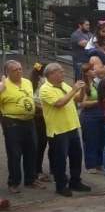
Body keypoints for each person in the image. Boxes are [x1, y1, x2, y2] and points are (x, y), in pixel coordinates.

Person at [39, 63, 92, 197]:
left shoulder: (64, 86)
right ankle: (61, 185)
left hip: (72, 127)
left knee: (76, 157)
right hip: (58, 130)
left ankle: (75, 181)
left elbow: (78, 100)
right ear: (51, 74)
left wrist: (81, 90)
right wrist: (74, 90)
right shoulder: (45, 89)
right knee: (60, 159)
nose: (63, 73)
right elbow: (59, 103)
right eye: (61, 71)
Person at [0, 60, 46, 194]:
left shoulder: (26, 82)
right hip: (13, 123)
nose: (19, 72)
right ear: (7, 72)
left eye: (20, 69)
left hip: (29, 122)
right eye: (15, 70)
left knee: (31, 151)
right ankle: (13, 182)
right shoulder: (3, 86)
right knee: (14, 154)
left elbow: (30, 99)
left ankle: (30, 179)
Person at [76, 63, 105, 174]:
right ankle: (90, 164)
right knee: (90, 141)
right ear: (87, 72)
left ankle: (99, 163)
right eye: (92, 70)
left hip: (100, 114)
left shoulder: (96, 84)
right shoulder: (84, 86)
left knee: (101, 140)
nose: (95, 71)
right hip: (89, 115)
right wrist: (97, 102)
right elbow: (82, 103)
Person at [30, 63, 51, 183]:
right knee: (40, 144)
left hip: (48, 116)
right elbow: (32, 101)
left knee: (45, 143)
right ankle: (37, 170)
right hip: (38, 117)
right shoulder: (37, 83)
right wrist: (44, 109)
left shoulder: (45, 82)